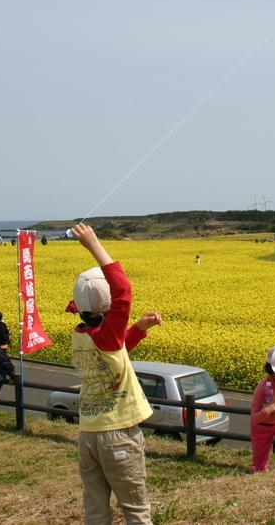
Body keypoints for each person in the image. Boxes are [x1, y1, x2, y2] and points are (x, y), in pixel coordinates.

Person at [68, 223, 163, 525]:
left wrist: (139, 329)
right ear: (108, 308)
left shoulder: (81, 335)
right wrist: (94, 245)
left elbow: (114, 356)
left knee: (96, 511)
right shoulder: (106, 336)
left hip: (89, 435)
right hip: (117, 435)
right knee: (136, 510)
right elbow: (123, 292)